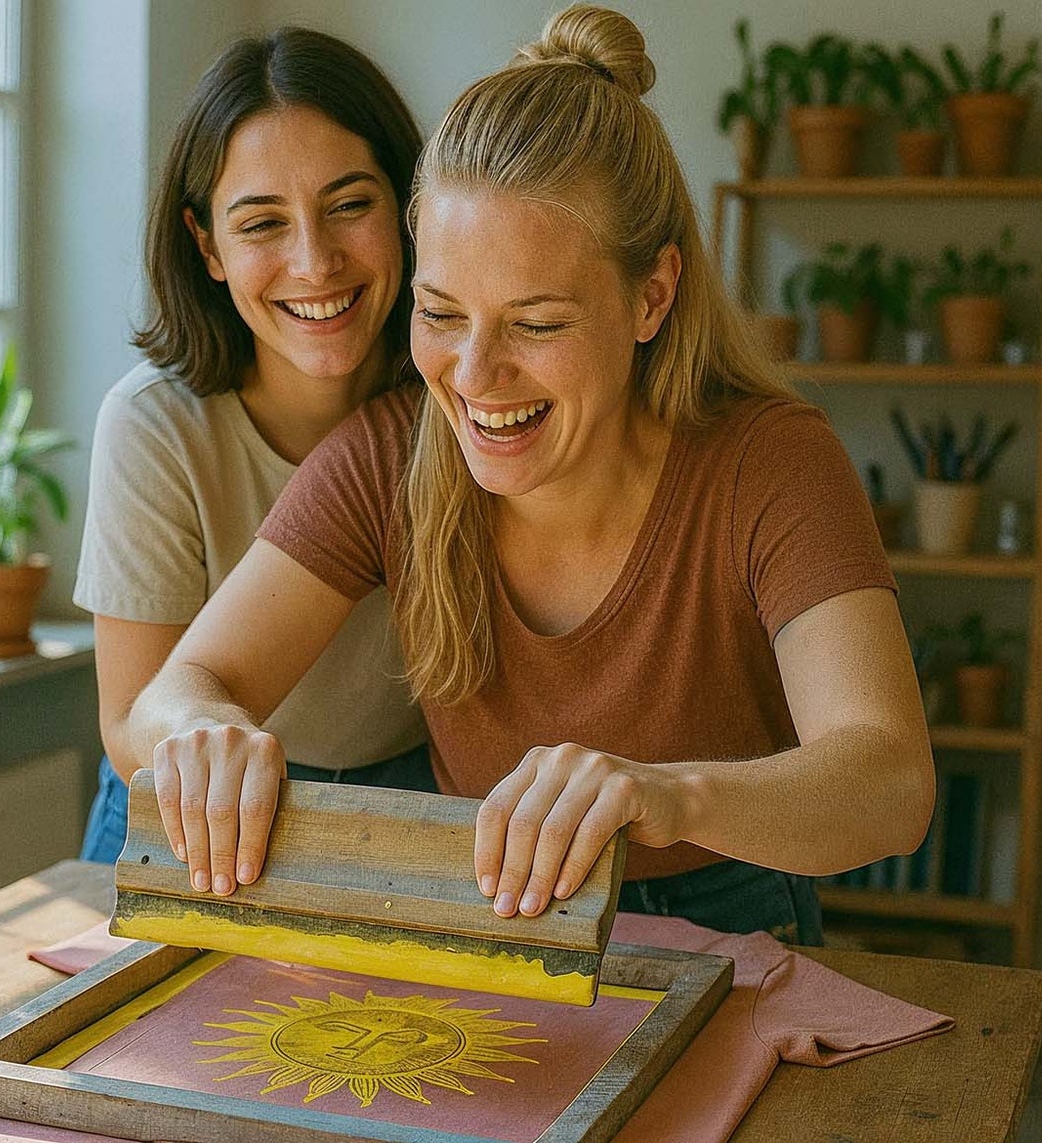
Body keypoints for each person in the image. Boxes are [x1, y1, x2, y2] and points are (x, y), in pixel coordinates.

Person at [128, 5, 934, 942]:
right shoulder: (390, 453)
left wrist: (666, 794)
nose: (472, 378)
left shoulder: (770, 461)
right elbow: (174, 691)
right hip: (486, 911)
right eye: (440, 313)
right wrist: (201, 729)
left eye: (537, 323)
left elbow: (889, 780)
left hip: (733, 913)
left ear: (652, 295)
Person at [74, 27, 430, 863]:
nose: (315, 261)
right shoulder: (154, 424)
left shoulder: (471, 402)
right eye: (262, 223)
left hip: (415, 808)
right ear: (208, 248)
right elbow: (130, 720)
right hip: (183, 806)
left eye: (350, 204)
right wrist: (205, 727)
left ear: (411, 208)